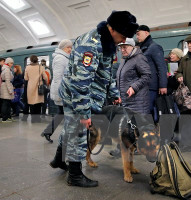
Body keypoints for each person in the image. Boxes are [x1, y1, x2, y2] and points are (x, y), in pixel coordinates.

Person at [49, 10, 138, 188]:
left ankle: (59, 159)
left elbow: (106, 73)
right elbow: (80, 82)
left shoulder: (107, 43)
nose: (123, 41)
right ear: (112, 29)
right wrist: (84, 112)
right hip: (77, 96)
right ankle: (74, 175)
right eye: (122, 36)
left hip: (84, 94)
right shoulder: (90, 45)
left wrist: (114, 95)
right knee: (79, 133)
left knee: (70, 128)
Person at [41, 39, 72, 143]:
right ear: (63, 48)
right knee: (66, 115)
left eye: (71, 47)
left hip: (64, 90)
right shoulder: (60, 58)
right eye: (68, 47)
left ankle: (48, 132)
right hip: (62, 91)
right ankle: (66, 139)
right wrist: (61, 93)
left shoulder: (64, 58)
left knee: (61, 114)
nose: (70, 50)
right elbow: (58, 78)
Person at [136, 25, 167, 123]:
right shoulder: (142, 48)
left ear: (146, 33)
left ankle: (153, 133)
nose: (137, 37)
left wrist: (163, 85)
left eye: (138, 34)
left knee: (150, 111)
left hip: (151, 86)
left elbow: (161, 67)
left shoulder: (154, 47)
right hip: (143, 86)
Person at [24, 55, 48, 123]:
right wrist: (46, 83)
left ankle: (33, 119)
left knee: (32, 103)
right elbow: (45, 77)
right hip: (39, 86)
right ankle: (38, 119)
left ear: (31, 60)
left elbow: (26, 78)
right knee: (38, 103)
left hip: (30, 87)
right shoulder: (41, 67)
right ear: (37, 60)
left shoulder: (27, 67)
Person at [0, 57, 14, 122]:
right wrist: (10, 90)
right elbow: (8, 81)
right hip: (6, 87)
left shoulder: (5, 69)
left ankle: (8, 117)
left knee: (7, 103)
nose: (12, 64)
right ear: (7, 63)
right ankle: (4, 118)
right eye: (11, 63)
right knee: (6, 103)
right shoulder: (7, 70)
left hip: (4, 86)